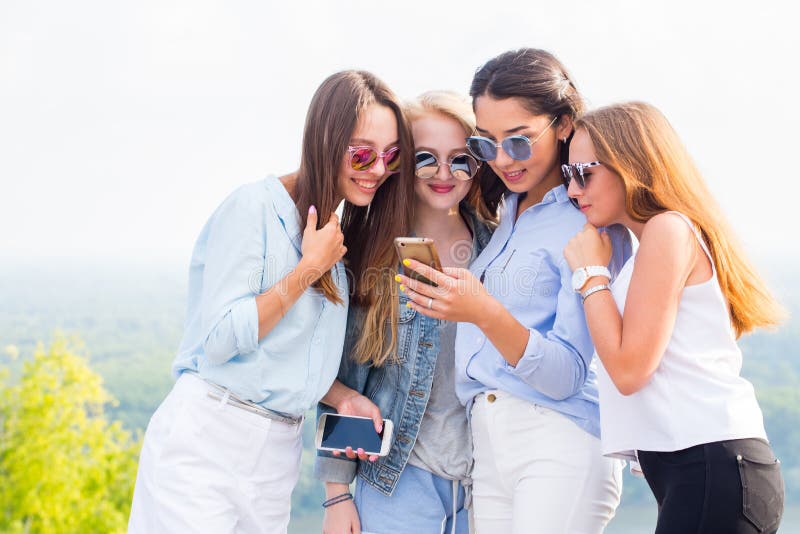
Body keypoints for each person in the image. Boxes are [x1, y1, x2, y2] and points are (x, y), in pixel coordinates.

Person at [127, 70, 414, 534]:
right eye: (362, 154)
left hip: (278, 456)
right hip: (207, 441)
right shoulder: (254, 209)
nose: (378, 169)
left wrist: (342, 396)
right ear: (324, 141)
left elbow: (286, 357)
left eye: (390, 155)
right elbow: (220, 339)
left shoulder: (338, 236)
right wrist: (306, 271)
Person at [397, 48, 628, 533]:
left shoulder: (585, 220)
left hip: (557, 438)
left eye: (520, 142)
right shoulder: (509, 213)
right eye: (487, 144)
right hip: (489, 440)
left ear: (563, 124)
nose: (502, 160)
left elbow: (567, 374)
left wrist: (483, 312)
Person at [563, 101, 785, 534]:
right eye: (568, 176)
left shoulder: (669, 229)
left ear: (630, 164)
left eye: (584, 173)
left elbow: (629, 371)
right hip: (705, 469)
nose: (573, 191)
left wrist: (590, 275)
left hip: (712, 466)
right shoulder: (653, 243)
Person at [315, 91, 495, 534]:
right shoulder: (372, 252)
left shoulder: (498, 248)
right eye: (426, 158)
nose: (443, 173)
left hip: (486, 485)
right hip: (398, 482)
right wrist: (337, 497)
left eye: (460, 159)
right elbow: (348, 380)